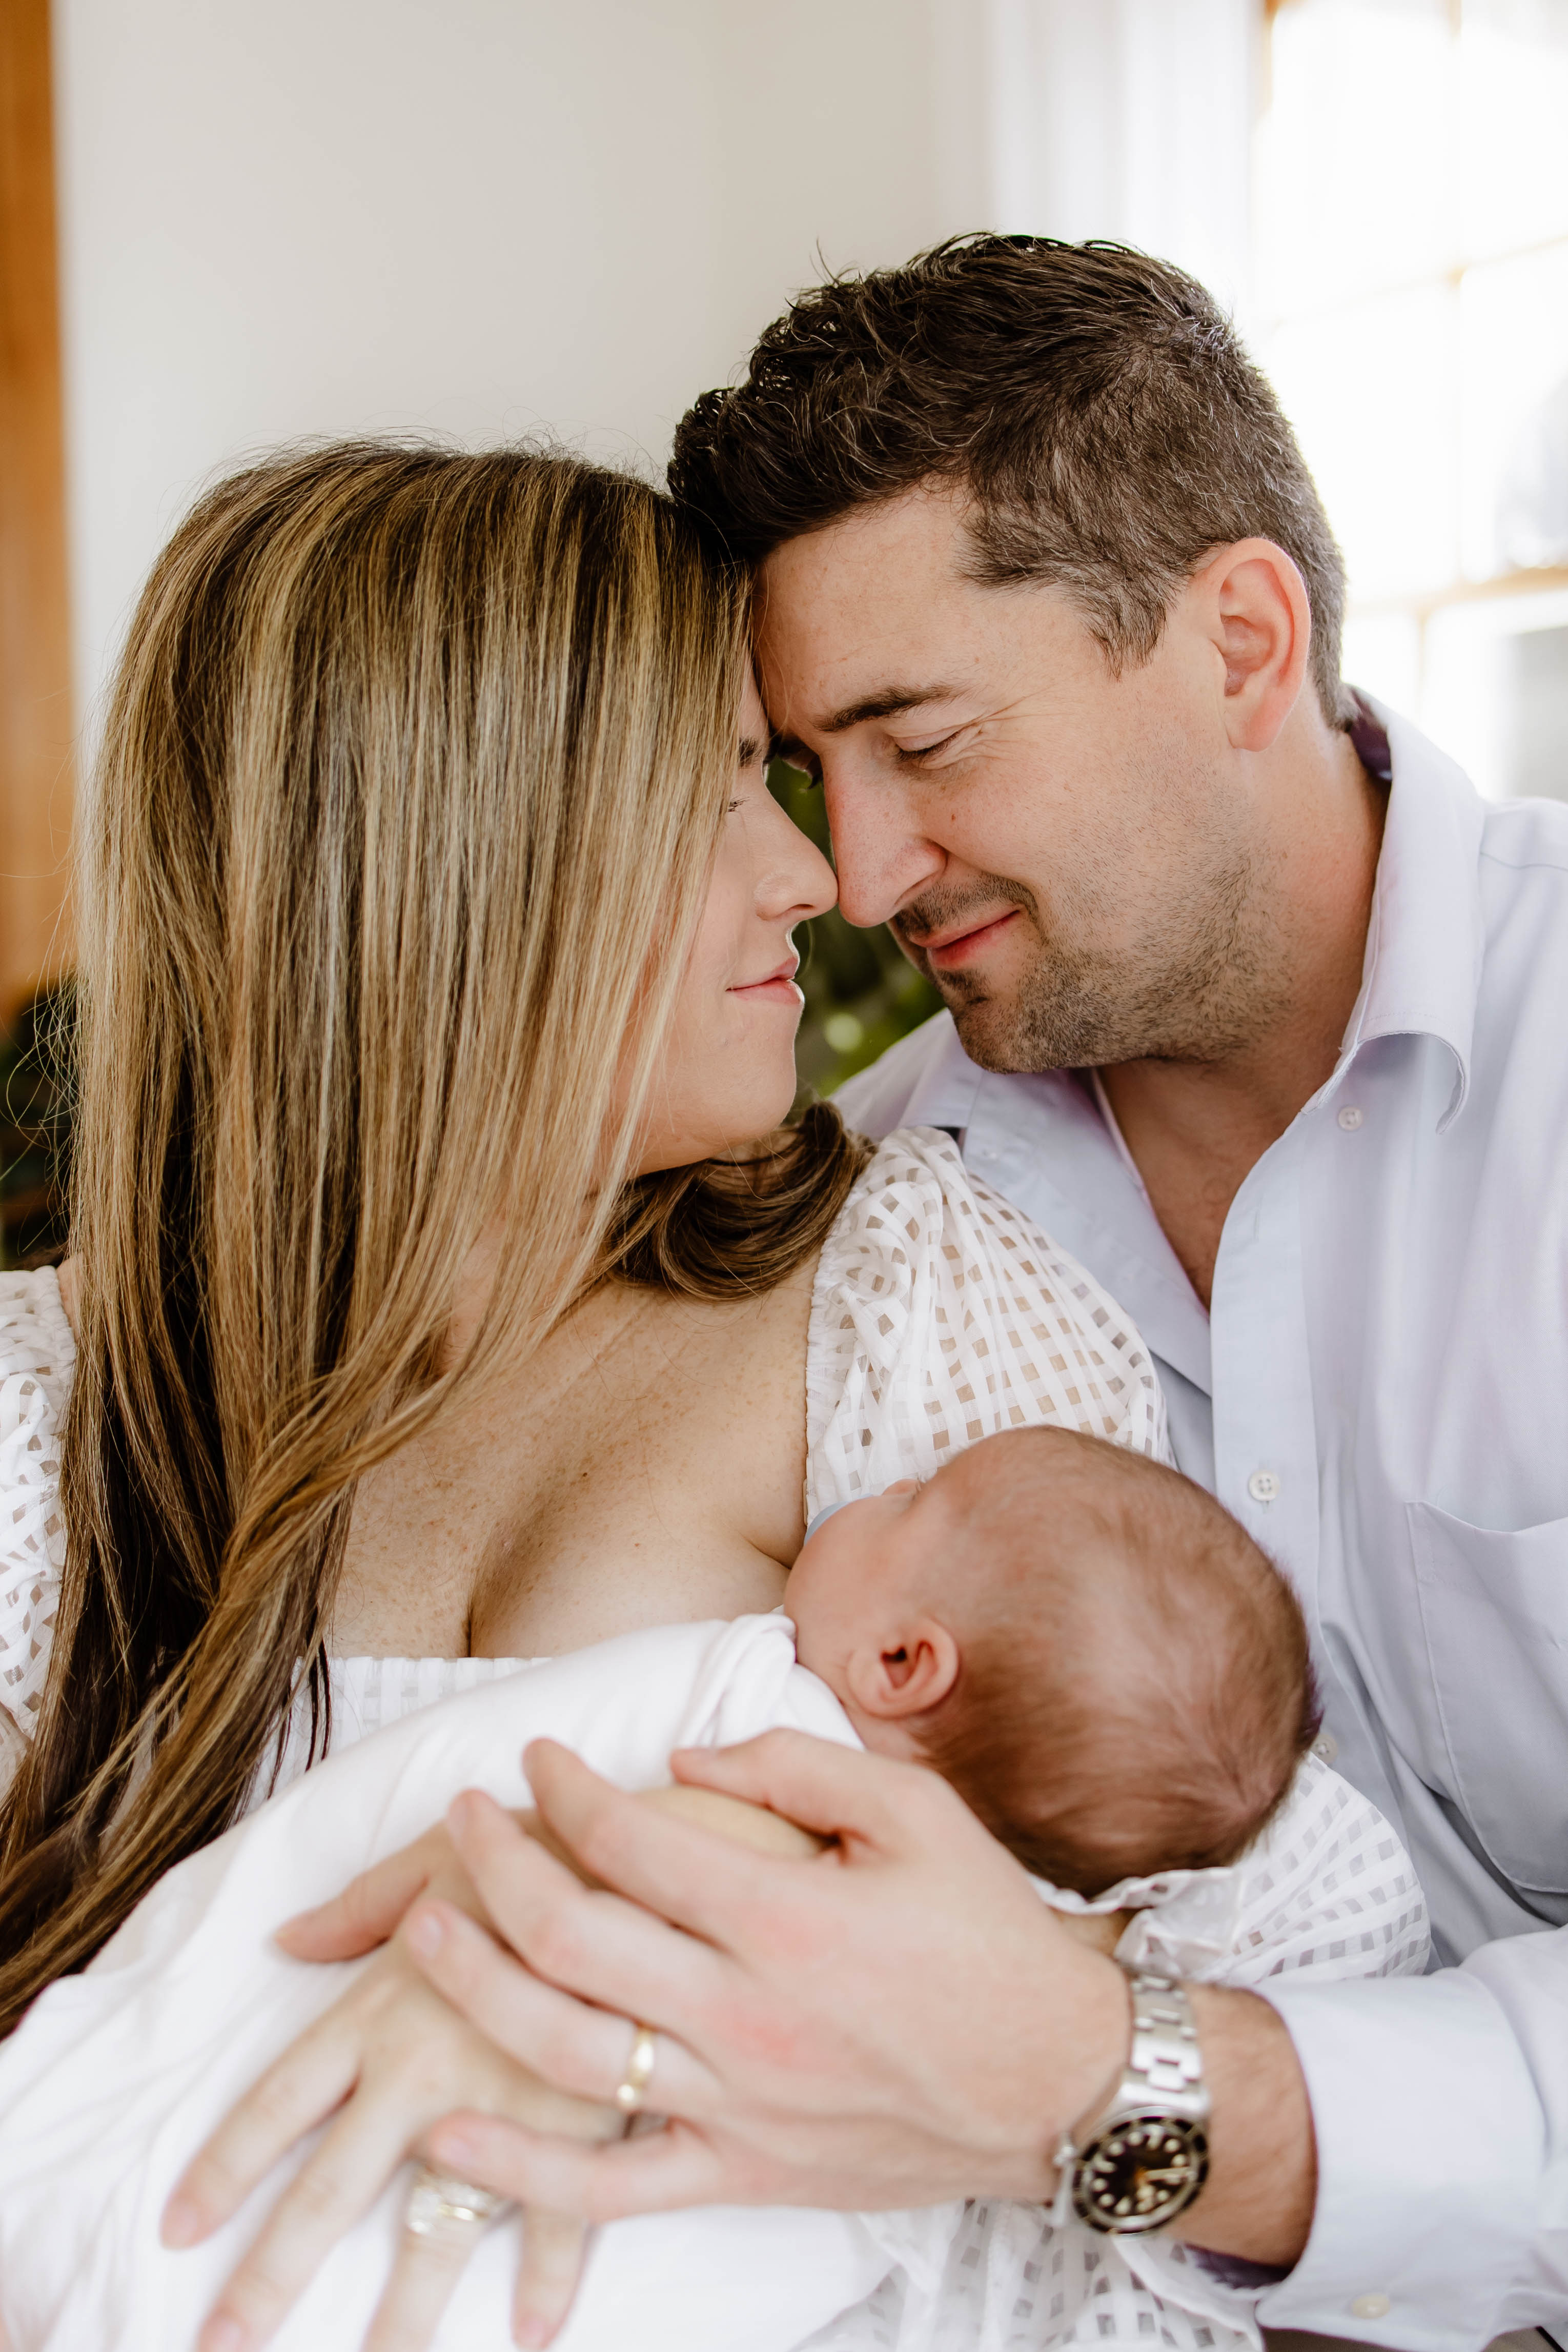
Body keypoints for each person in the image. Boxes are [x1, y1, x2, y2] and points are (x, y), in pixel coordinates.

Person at [283, 239, 1567, 2351]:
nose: (860, 882)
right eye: (807, 770)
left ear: (1242, 641)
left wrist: (1120, 2083)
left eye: (929, 741)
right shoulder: (879, 1220)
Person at [0, 433, 1241, 2352]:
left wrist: (638, 1955)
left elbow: (1221, 1934)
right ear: (440, 880)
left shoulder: (907, 1299)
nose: (814, 877)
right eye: (716, 794)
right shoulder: (47, 1409)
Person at [0, 1427, 1426, 2352]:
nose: (877, 1484)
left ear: (902, 1664)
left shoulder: (758, 1707)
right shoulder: (988, 2011)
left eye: (912, 1496)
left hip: (124, 2182)